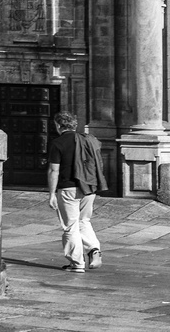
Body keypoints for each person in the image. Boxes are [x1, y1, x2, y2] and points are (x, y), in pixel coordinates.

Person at [46, 112, 107, 272]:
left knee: (70, 226)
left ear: (59, 125)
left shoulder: (58, 143)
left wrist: (52, 193)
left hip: (68, 189)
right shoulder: (87, 140)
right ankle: (94, 249)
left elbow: (54, 170)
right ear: (74, 125)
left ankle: (77, 264)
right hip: (89, 188)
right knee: (84, 221)